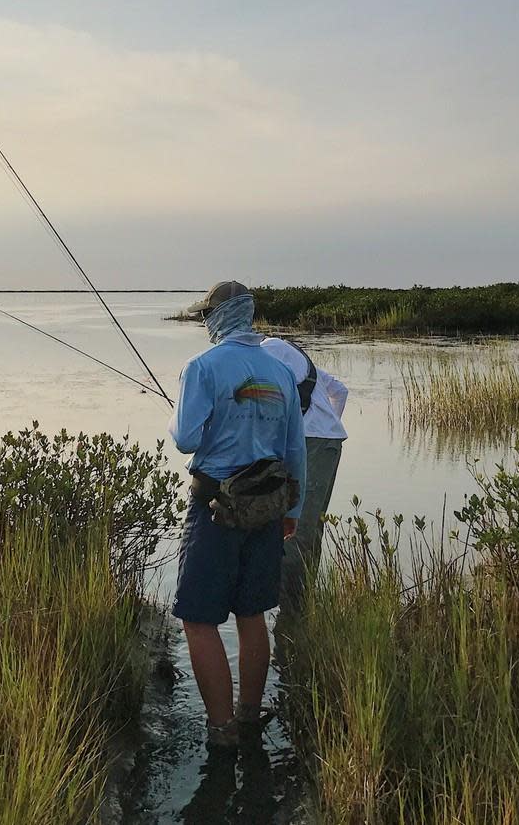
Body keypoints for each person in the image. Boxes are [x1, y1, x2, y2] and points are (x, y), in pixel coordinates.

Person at [169, 280, 307, 749]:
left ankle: (222, 729)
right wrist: (295, 510)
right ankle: (249, 716)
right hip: (268, 509)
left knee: (197, 618)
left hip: (215, 507)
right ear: (248, 313)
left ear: (214, 316)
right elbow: (295, 448)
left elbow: (186, 439)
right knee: (252, 613)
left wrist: (180, 410)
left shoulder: (202, 367)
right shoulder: (281, 371)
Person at [260, 336, 347, 604]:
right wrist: (327, 427)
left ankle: (291, 609)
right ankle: (302, 601)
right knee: (309, 527)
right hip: (326, 443)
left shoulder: (266, 350)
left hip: (311, 442)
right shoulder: (287, 351)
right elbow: (340, 390)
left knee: (296, 531)